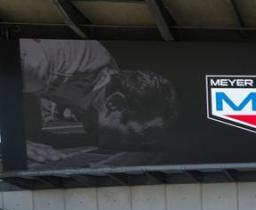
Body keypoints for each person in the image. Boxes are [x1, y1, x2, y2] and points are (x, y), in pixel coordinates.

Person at [19, 39, 178, 164]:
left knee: (30, 130)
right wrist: (13, 143)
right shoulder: (38, 66)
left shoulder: (107, 75)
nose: (137, 146)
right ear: (114, 103)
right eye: (136, 135)